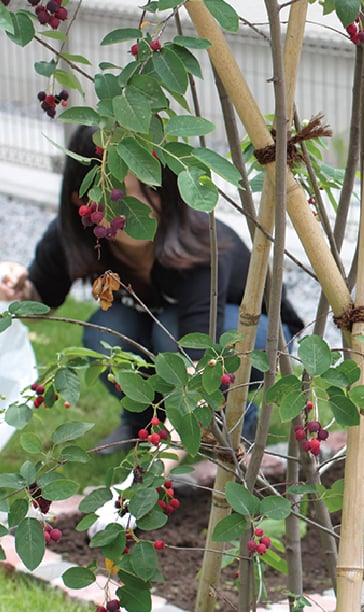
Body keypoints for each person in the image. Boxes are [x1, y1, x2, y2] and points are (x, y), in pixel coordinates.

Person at [0, 125, 305, 453]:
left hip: (254, 336)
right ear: (81, 198)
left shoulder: (203, 244)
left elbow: (199, 363)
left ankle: (231, 422)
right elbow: (41, 302)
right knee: (103, 334)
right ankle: (143, 422)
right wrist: (18, 292)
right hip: (170, 327)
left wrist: (161, 463)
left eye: (149, 186)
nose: (138, 208)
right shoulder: (76, 234)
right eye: (117, 194)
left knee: (171, 335)